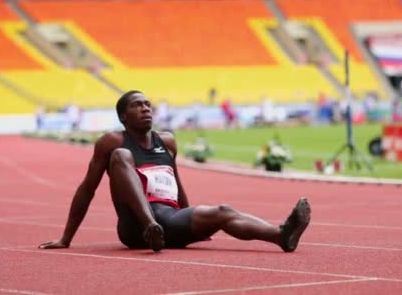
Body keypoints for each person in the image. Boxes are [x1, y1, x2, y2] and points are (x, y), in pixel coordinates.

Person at [39, 90, 311, 252]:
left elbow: (175, 183)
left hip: (170, 220)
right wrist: (66, 238)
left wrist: (195, 220)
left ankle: (281, 236)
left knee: (223, 212)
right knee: (122, 156)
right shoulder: (113, 142)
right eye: (137, 105)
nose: (145, 108)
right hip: (136, 228)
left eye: (148, 104)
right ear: (123, 116)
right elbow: (87, 188)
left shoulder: (167, 141)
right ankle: (151, 228)